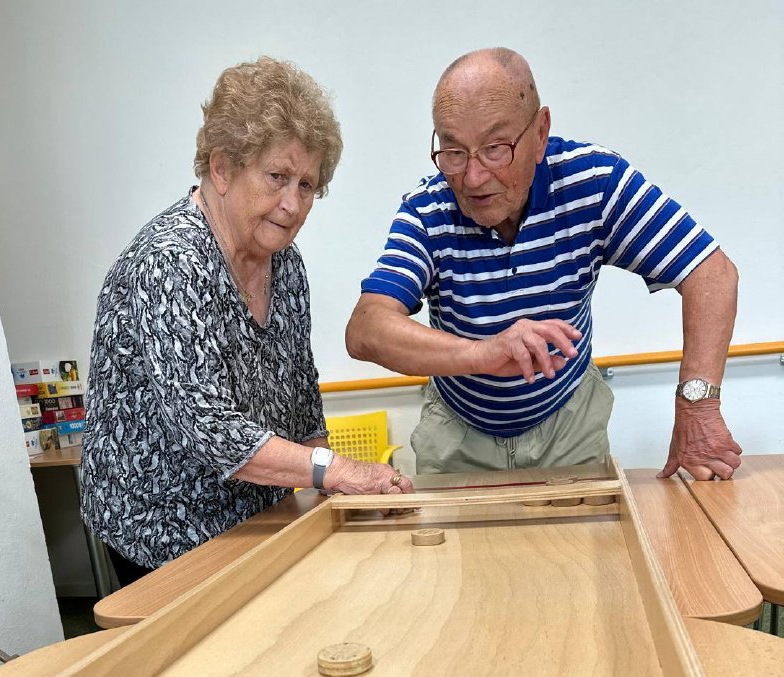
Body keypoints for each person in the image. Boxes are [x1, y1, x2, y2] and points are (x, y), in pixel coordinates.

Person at [82, 57, 414, 587]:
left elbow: (300, 397)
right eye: (277, 177)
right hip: (163, 531)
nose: (292, 204)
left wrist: (332, 486)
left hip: (255, 516)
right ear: (222, 168)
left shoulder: (285, 264)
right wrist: (341, 470)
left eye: (306, 185)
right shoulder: (170, 261)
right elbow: (212, 430)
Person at [345, 48, 741, 483]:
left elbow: (711, 272)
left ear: (540, 132)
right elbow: (366, 329)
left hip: (569, 422)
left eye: (495, 149)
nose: (472, 178)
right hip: (459, 429)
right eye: (454, 151)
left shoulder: (594, 182)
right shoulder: (427, 210)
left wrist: (698, 404)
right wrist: (484, 353)